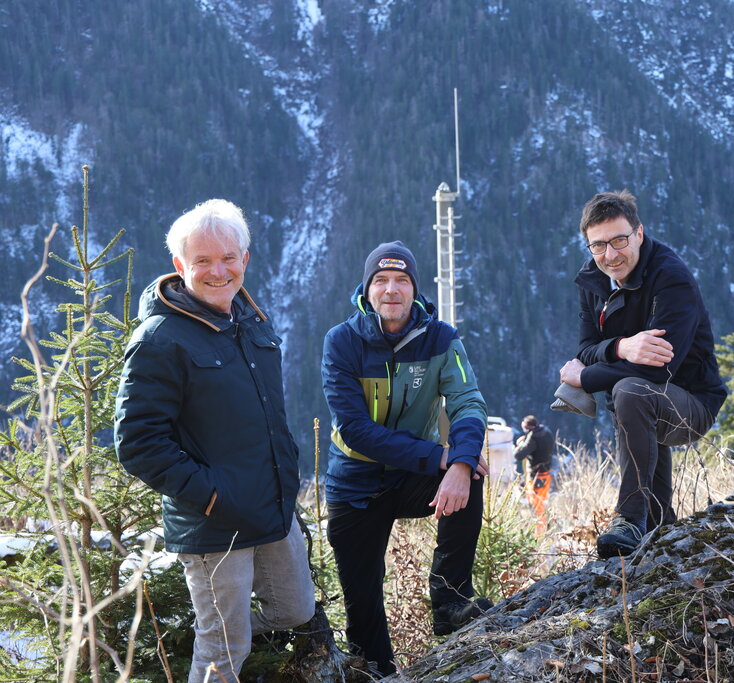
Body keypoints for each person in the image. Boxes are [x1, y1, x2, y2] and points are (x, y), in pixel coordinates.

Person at [114, 199, 315, 682]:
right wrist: (211, 495)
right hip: (215, 525)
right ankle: (209, 636)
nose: (217, 270)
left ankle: (193, 630)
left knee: (294, 611)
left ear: (245, 260)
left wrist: (284, 476)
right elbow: (137, 443)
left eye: (228, 258)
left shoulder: (251, 321)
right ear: (180, 267)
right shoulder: (160, 339)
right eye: (202, 261)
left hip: (272, 508)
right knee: (224, 651)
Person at [321, 241, 492, 676]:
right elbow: (358, 431)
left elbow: (468, 402)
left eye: (402, 280)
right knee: (364, 612)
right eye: (381, 281)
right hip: (354, 485)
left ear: (415, 289)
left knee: (469, 479)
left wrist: (460, 461)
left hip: (410, 476)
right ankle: (377, 671)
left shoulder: (441, 339)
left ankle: (451, 599)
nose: (391, 290)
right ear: (367, 290)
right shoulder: (342, 343)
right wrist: (439, 456)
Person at [559, 190, 727, 559]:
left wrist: (586, 379)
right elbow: (585, 347)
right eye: (598, 245)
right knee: (629, 390)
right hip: (640, 398)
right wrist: (622, 347)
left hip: (691, 403)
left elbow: (661, 368)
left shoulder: (671, 278)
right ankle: (660, 523)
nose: (610, 254)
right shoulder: (593, 279)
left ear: (639, 233)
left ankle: (630, 519)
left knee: (631, 391)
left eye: (619, 240)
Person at [513, 415, 556, 529]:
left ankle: (539, 532)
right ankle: (544, 528)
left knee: (537, 506)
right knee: (542, 503)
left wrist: (520, 445)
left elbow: (518, 455)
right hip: (547, 472)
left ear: (527, 427)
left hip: (536, 476)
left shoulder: (533, 438)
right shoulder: (546, 431)